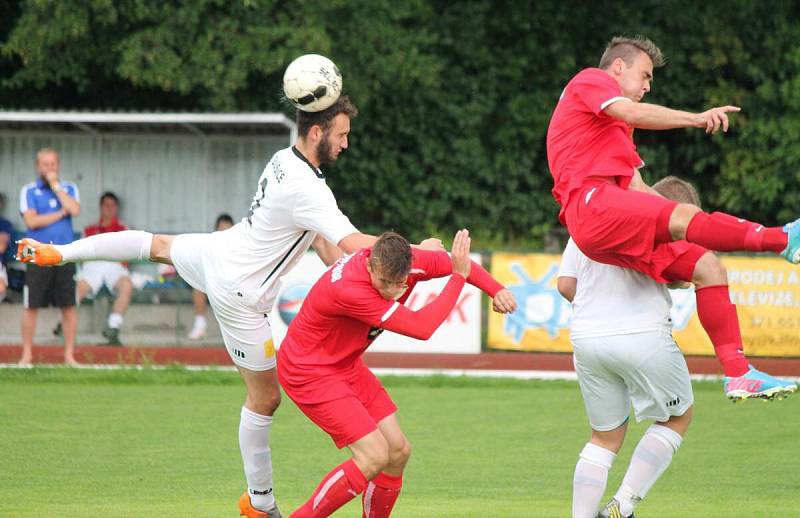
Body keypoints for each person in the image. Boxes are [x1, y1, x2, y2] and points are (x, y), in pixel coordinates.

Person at [17, 96, 440, 518]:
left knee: (153, 243)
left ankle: (61, 252)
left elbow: (325, 242)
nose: (346, 144)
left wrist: (340, 269)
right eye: (342, 134)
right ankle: (259, 504)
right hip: (240, 293)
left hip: (219, 249)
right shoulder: (309, 188)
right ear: (317, 132)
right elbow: (357, 246)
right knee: (265, 398)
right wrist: (423, 251)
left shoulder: (284, 160)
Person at [546, 35, 798, 400]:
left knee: (707, 266)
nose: (648, 86)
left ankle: (739, 373)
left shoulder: (612, 129)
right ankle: (783, 240)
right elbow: (631, 112)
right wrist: (696, 119)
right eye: (645, 76)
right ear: (618, 67)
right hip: (590, 203)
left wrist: (688, 232)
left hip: (601, 218)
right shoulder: (591, 80)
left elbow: (637, 187)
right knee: (684, 216)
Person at [278, 230, 516, 517]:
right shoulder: (351, 289)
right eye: (383, 281)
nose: (390, 290)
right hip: (309, 371)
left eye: (398, 282)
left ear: (410, 268)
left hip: (345, 364)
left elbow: (459, 261)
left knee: (397, 452)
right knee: (375, 455)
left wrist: (497, 289)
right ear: (369, 266)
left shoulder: (409, 260)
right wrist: (457, 278)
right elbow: (422, 327)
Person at [559, 176, 703, 518]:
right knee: (677, 416)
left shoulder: (590, 213)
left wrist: (600, 306)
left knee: (604, 439)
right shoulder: (661, 222)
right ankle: (622, 507)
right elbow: (685, 275)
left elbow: (566, 284)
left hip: (587, 336)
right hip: (643, 333)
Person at [18, 148, 81, 366]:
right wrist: (60, 213)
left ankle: (69, 356)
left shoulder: (69, 188)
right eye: (45, 164)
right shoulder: (28, 190)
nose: (49, 168)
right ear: (38, 166)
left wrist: (57, 188)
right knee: (31, 305)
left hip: (64, 252)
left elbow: (74, 209)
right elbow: (32, 222)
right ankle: (26, 355)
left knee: (68, 306)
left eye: (53, 164)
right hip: (35, 252)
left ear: (58, 166)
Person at [75, 192, 133, 346]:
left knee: (126, 284)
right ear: (101, 207)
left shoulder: (123, 229)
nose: (109, 209)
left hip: (114, 265)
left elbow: (129, 253)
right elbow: (81, 254)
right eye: (106, 206)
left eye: (112, 206)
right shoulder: (89, 230)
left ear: (117, 208)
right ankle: (64, 324)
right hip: (93, 266)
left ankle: (113, 326)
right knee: (79, 287)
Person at [187, 213, 235, 340]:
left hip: (232, 285)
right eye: (221, 230)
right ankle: (200, 326)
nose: (224, 233)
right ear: (216, 230)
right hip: (213, 282)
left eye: (227, 230)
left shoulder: (238, 247)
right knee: (197, 286)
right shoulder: (209, 246)